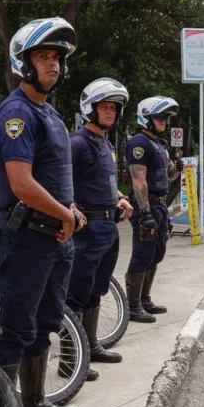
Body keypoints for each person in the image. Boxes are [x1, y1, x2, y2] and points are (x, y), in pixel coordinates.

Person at [0, 17, 85, 407]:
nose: (52, 66)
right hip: (28, 240)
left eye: (57, 59)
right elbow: (21, 184)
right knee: (14, 332)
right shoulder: (16, 114)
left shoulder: (49, 113)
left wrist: (71, 211)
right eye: (43, 58)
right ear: (22, 63)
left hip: (57, 239)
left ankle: (33, 405)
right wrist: (65, 213)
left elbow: (56, 176)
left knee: (44, 324)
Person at [61, 78, 133, 382]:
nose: (110, 112)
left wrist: (120, 197)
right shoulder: (76, 143)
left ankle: (90, 347)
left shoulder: (105, 143)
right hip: (86, 229)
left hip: (108, 227)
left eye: (114, 107)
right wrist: (70, 207)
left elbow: (103, 180)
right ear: (90, 108)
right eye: (104, 106)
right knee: (76, 296)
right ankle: (69, 360)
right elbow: (58, 178)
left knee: (96, 291)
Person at [125, 97, 181, 324]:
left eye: (166, 118)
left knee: (157, 253)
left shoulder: (159, 145)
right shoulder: (139, 144)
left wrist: (177, 169)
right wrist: (145, 212)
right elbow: (138, 181)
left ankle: (145, 299)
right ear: (146, 118)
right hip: (145, 207)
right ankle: (133, 306)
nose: (164, 122)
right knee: (143, 253)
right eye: (159, 117)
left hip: (160, 205)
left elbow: (168, 175)